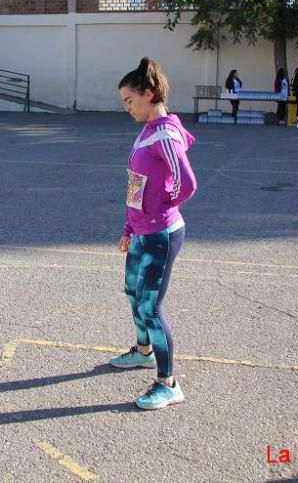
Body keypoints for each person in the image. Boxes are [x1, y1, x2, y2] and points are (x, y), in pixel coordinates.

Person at [112, 57, 197, 410]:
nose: (126, 108)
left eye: (130, 101)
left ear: (149, 94)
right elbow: (138, 183)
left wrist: (160, 210)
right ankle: (144, 351)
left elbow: (187, 183)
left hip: (160, 234)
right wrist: (130, 226)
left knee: (150, 306)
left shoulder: (163, 131)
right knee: (133, 292)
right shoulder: (148, 129)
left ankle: (168, 383)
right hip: (143, 232)